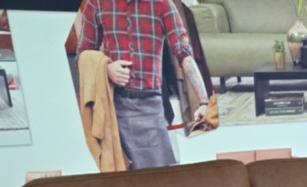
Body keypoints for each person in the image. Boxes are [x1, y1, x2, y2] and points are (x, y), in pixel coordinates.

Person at [77, 0, 210, 170]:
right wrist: (106, 68)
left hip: (150, 108)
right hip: (113, 107)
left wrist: (204, 101)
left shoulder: (162, 4)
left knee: (158, 177)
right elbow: (83, 55)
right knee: (121, 177)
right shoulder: (97, 3)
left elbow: (184, 53)